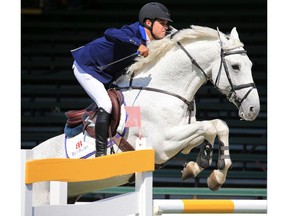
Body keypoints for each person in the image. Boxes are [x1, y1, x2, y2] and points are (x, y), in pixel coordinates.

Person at [71, 2, 173, 157]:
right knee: (105, 104)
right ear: (148, 23)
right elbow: (110, 32)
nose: (165, 27)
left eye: (167, 24)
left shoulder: (156, 38)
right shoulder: (133, 31)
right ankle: (100, 154)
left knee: (131, 101)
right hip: (86, 67)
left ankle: (132, 142)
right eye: (162, 23)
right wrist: (137, 44)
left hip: (108, 74)